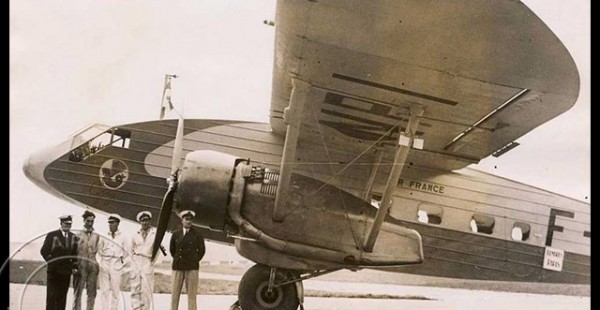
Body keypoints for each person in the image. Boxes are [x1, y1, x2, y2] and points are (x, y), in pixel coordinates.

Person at [40, 215, 79, 310]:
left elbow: (75, 254)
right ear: (61, 223)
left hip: (66, 272)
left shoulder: (73, 237)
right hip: (53, 272)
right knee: (51, 297)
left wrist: (74, 267)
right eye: (66, 224)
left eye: (70, 224)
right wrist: (52, 261)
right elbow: (44, 251)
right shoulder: (52, 235)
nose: (68, 226)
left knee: (62, 297)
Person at [169, 210, 206, 310]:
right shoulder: (176, 234)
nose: (188, 222)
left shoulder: (198, 234)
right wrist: (178, 259)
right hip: (178, 267)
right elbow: (172, 250)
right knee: (174, 295)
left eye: (190, 220)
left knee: (192, 296)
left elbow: (201, 250)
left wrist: (194, 260)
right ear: (182, 220)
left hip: (192, 267)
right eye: (186, 219)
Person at [97, 213, 130, 310]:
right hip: (105, 262)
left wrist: (119, 260)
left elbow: (126, 252)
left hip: (116, 263)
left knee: (115, 290)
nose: (110, 225)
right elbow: (99, 249)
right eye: (109, 223)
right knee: (104, 290)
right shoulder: (103, 235)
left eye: (113, 223)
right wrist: (103, 260)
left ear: (118, 224)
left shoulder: (123, 236)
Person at [73, 210, 100, 310]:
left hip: (92, 266)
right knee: (78, 292)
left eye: (92, 221)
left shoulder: (96, 235)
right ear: (84, 221)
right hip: (81, 266)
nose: (90, 223)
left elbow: (97, 250)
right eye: (88, 221)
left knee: (92, 293)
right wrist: (75, 266)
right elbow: (73, 252)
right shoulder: (77, 234)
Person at [130, 211, 157, 310]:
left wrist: (151, 262)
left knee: (146, 291)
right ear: (140, 222)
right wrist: (134, 263)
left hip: (147, 261)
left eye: (146, 220)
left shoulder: (155, 234)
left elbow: (157, 251)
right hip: (136, 261)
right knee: (135, 290)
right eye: (142, 220)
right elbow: (130, 250)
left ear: (150, 221)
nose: (145, 222)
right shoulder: (135, 235)